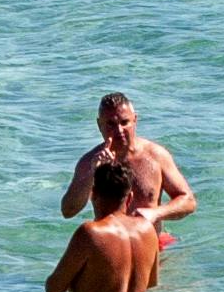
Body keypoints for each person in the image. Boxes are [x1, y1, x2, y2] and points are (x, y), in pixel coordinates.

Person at [45, 155, 162, 292]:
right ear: (130, 197)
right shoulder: (147, 229)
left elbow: (53, 290)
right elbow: (151, 282)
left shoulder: (90, 233)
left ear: (93, 194)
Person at [59, 90, 195, 228]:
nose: (119, 130)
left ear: (135, 120)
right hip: (112, 243)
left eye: (124, 122)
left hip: (149, 242)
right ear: (100, 125)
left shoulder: (155, 156)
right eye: (110, 124)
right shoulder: (89, 162)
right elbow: (68, 211)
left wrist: (156, 213)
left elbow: (188, 201)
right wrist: (92, 174)